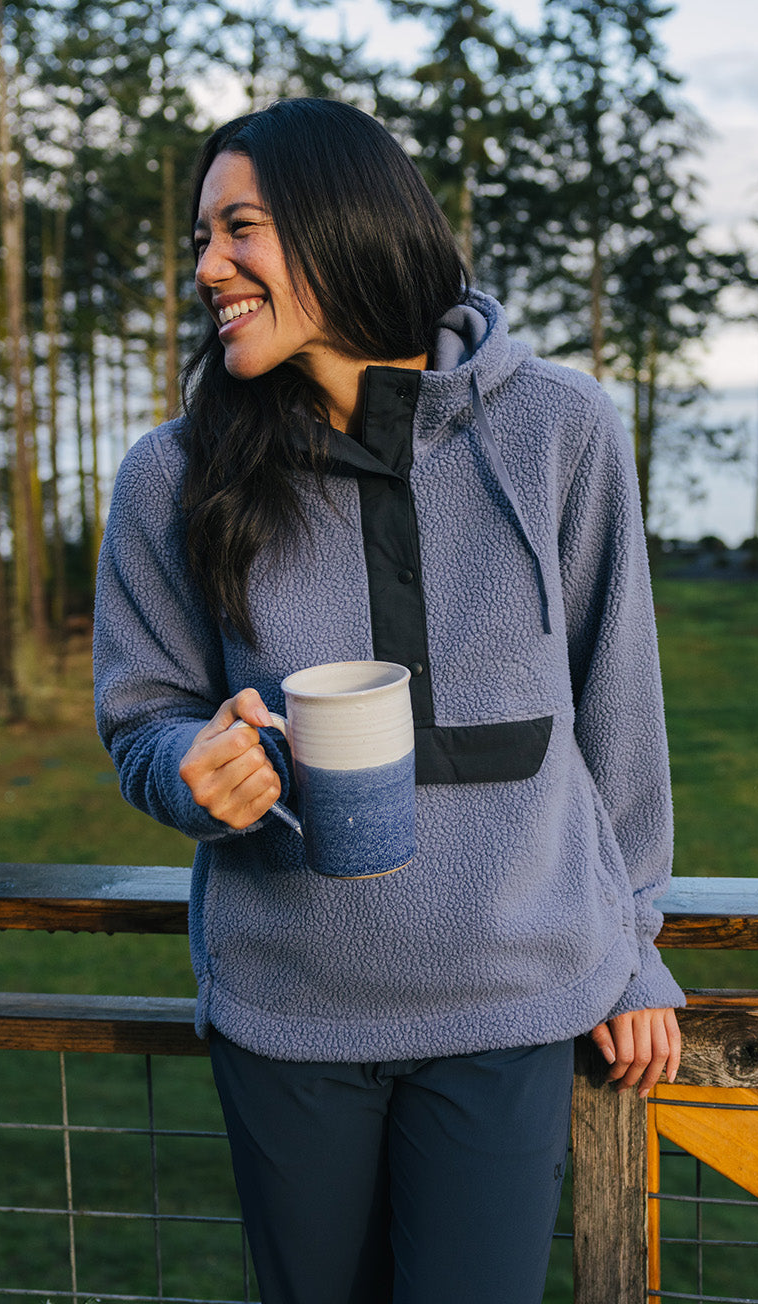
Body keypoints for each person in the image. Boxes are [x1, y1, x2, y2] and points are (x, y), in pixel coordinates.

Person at [93, 97, 684, 1304]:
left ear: (343, 221)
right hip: (288, 1004)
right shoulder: (172, 473)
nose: (207, 268)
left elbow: (616, 705)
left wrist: (633, 949)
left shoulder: (560, 428)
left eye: (239, 228)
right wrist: (189, 768)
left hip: (511, 995)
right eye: (201, 238)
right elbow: (144, 712)